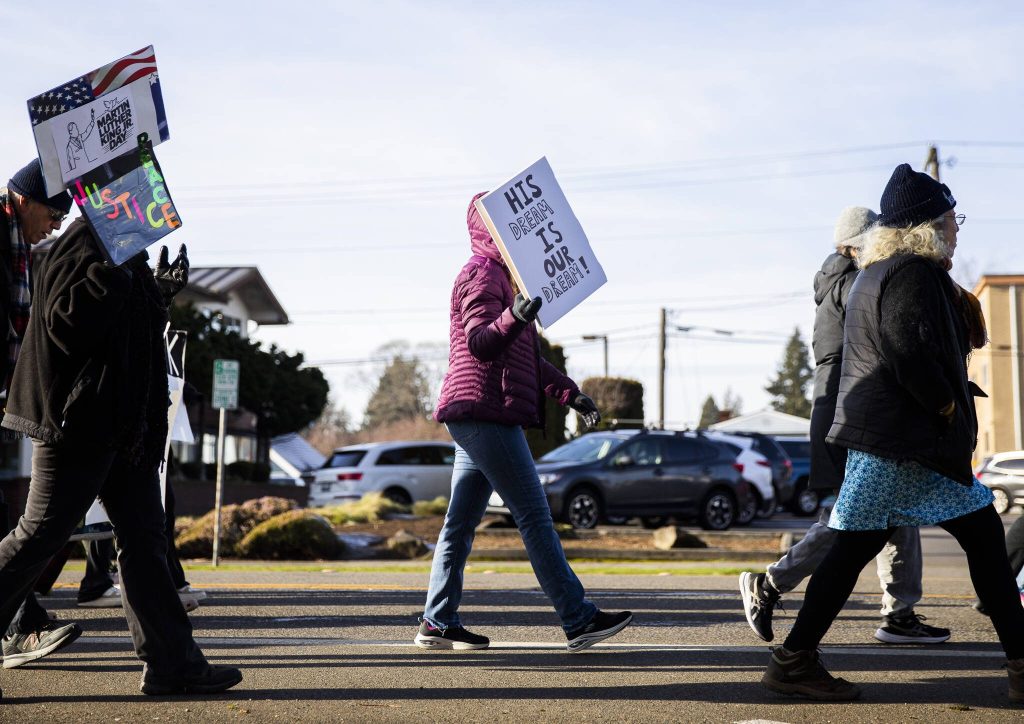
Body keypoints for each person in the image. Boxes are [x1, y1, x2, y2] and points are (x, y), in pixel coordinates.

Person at [760, 164, 1024, 703]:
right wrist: (946, 402)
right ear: (926, 223)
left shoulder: (880, 271)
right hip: (905, 445)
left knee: (857, 547)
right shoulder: (910, 274)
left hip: (889, 443)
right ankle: (1020, 660)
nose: (957, 227)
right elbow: (906, 350)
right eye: (952, 217)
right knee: (978, 537)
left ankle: (793, 659)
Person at [0, 204, 241, 697]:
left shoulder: (122, 249)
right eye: (144, 200)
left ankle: (173, 664)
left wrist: (159, 294)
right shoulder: (83, 244)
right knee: (39, 535)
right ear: (117, 203)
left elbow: (128, 333)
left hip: (122, 425)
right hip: (79, 424)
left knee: (144, 538)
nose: (157, 211)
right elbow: (66, 324)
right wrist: (116, 274)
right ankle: (173, 662)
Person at [416, 193, 631, 653]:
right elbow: (479, 343)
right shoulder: (482, 272)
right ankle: (579, 619)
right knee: (534, 515)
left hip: (477, 412)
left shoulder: (508, 278)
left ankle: (437, 621)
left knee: (460, 524)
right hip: (483, 412)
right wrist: (514, 315)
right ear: (491, 230)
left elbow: (528, 363)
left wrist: (571, 393)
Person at [740, 206, 949, 645]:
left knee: (895, 511)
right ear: (854, 245)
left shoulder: (844, 278)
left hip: (848, 408)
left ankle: (899, 613)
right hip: (851, 413)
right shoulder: (855, 281)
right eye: (876, 238)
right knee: (848, 516)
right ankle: (773, 583)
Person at [0, 161, 82, 670]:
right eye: (53, 215)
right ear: (24, 200)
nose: (54, 226)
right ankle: (22, 625)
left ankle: (22, 624)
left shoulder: (17, 244)